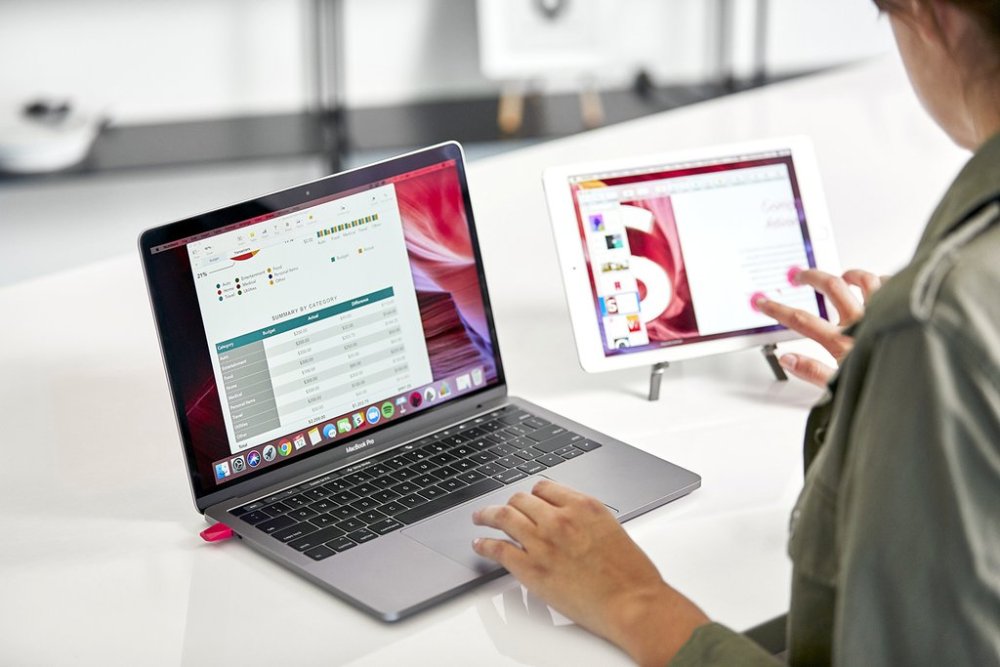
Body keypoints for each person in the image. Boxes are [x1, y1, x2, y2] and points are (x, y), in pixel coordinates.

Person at [470, 0, 1000, 664]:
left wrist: (636, 602)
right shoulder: (940, 328)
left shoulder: (937, 322)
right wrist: (898, 384)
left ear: (930, 15)